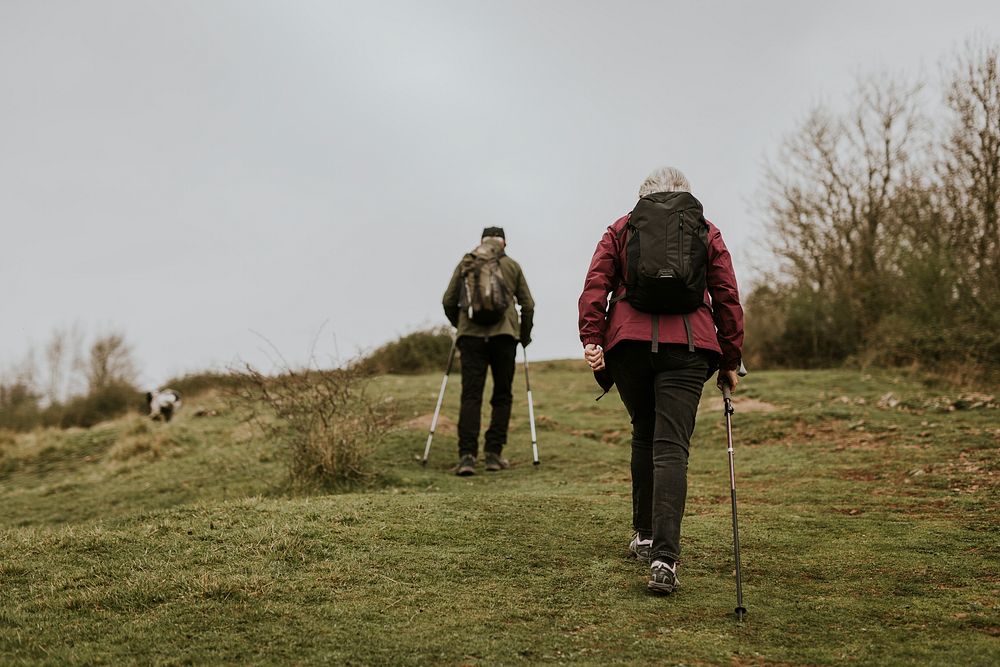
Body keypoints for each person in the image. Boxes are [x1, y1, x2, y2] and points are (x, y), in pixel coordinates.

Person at [577, 166, 744, 594]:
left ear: (643, 196)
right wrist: (730, 358)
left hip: (629, 345)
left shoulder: (622, 226)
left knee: (644, 435)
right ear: (687, 195)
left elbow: (596, 283)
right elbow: (726, 293)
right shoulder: (706, 229)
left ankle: (645, 534)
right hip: (689, 347)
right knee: (672, 447)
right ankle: (665, 559)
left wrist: (592, 338)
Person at [443, 227, 534, 476]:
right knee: (502, 395)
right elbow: (528, 304)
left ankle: (467, 457)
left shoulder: (467, 263)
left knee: (471, 395)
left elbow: (448, 300)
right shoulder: (512, 266)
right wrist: (523, 336)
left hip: (470, 338)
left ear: (481, 241)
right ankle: (493, 454)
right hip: (504, 338)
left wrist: (460, 325)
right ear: (504, 242)